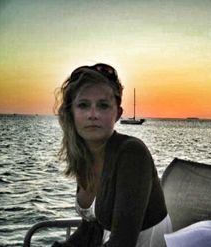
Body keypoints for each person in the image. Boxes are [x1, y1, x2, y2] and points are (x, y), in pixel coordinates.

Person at [53, 63, 172, 247]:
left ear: (118, 114)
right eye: (83, 105)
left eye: (103, 106)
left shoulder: (132, 153)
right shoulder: (84, 156)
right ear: (71, 113)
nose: (93, 114)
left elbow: (122, 243)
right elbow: (90, 227)